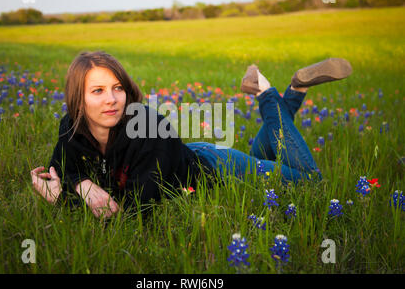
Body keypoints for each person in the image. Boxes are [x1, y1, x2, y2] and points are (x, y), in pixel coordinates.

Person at [30, 52, 352, 219]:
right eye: (97, 91)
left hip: (218, 170)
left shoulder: (148, 128)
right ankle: (295, 91)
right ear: (78, 100)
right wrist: (80, 186)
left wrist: (64, 201)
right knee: (265, 159)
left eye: (117, 88)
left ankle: (267, 93)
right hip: (181, 158)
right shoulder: (70, 127)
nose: (111, 99)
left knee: (311, 183)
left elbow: (136, 212)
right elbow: (62, 167)